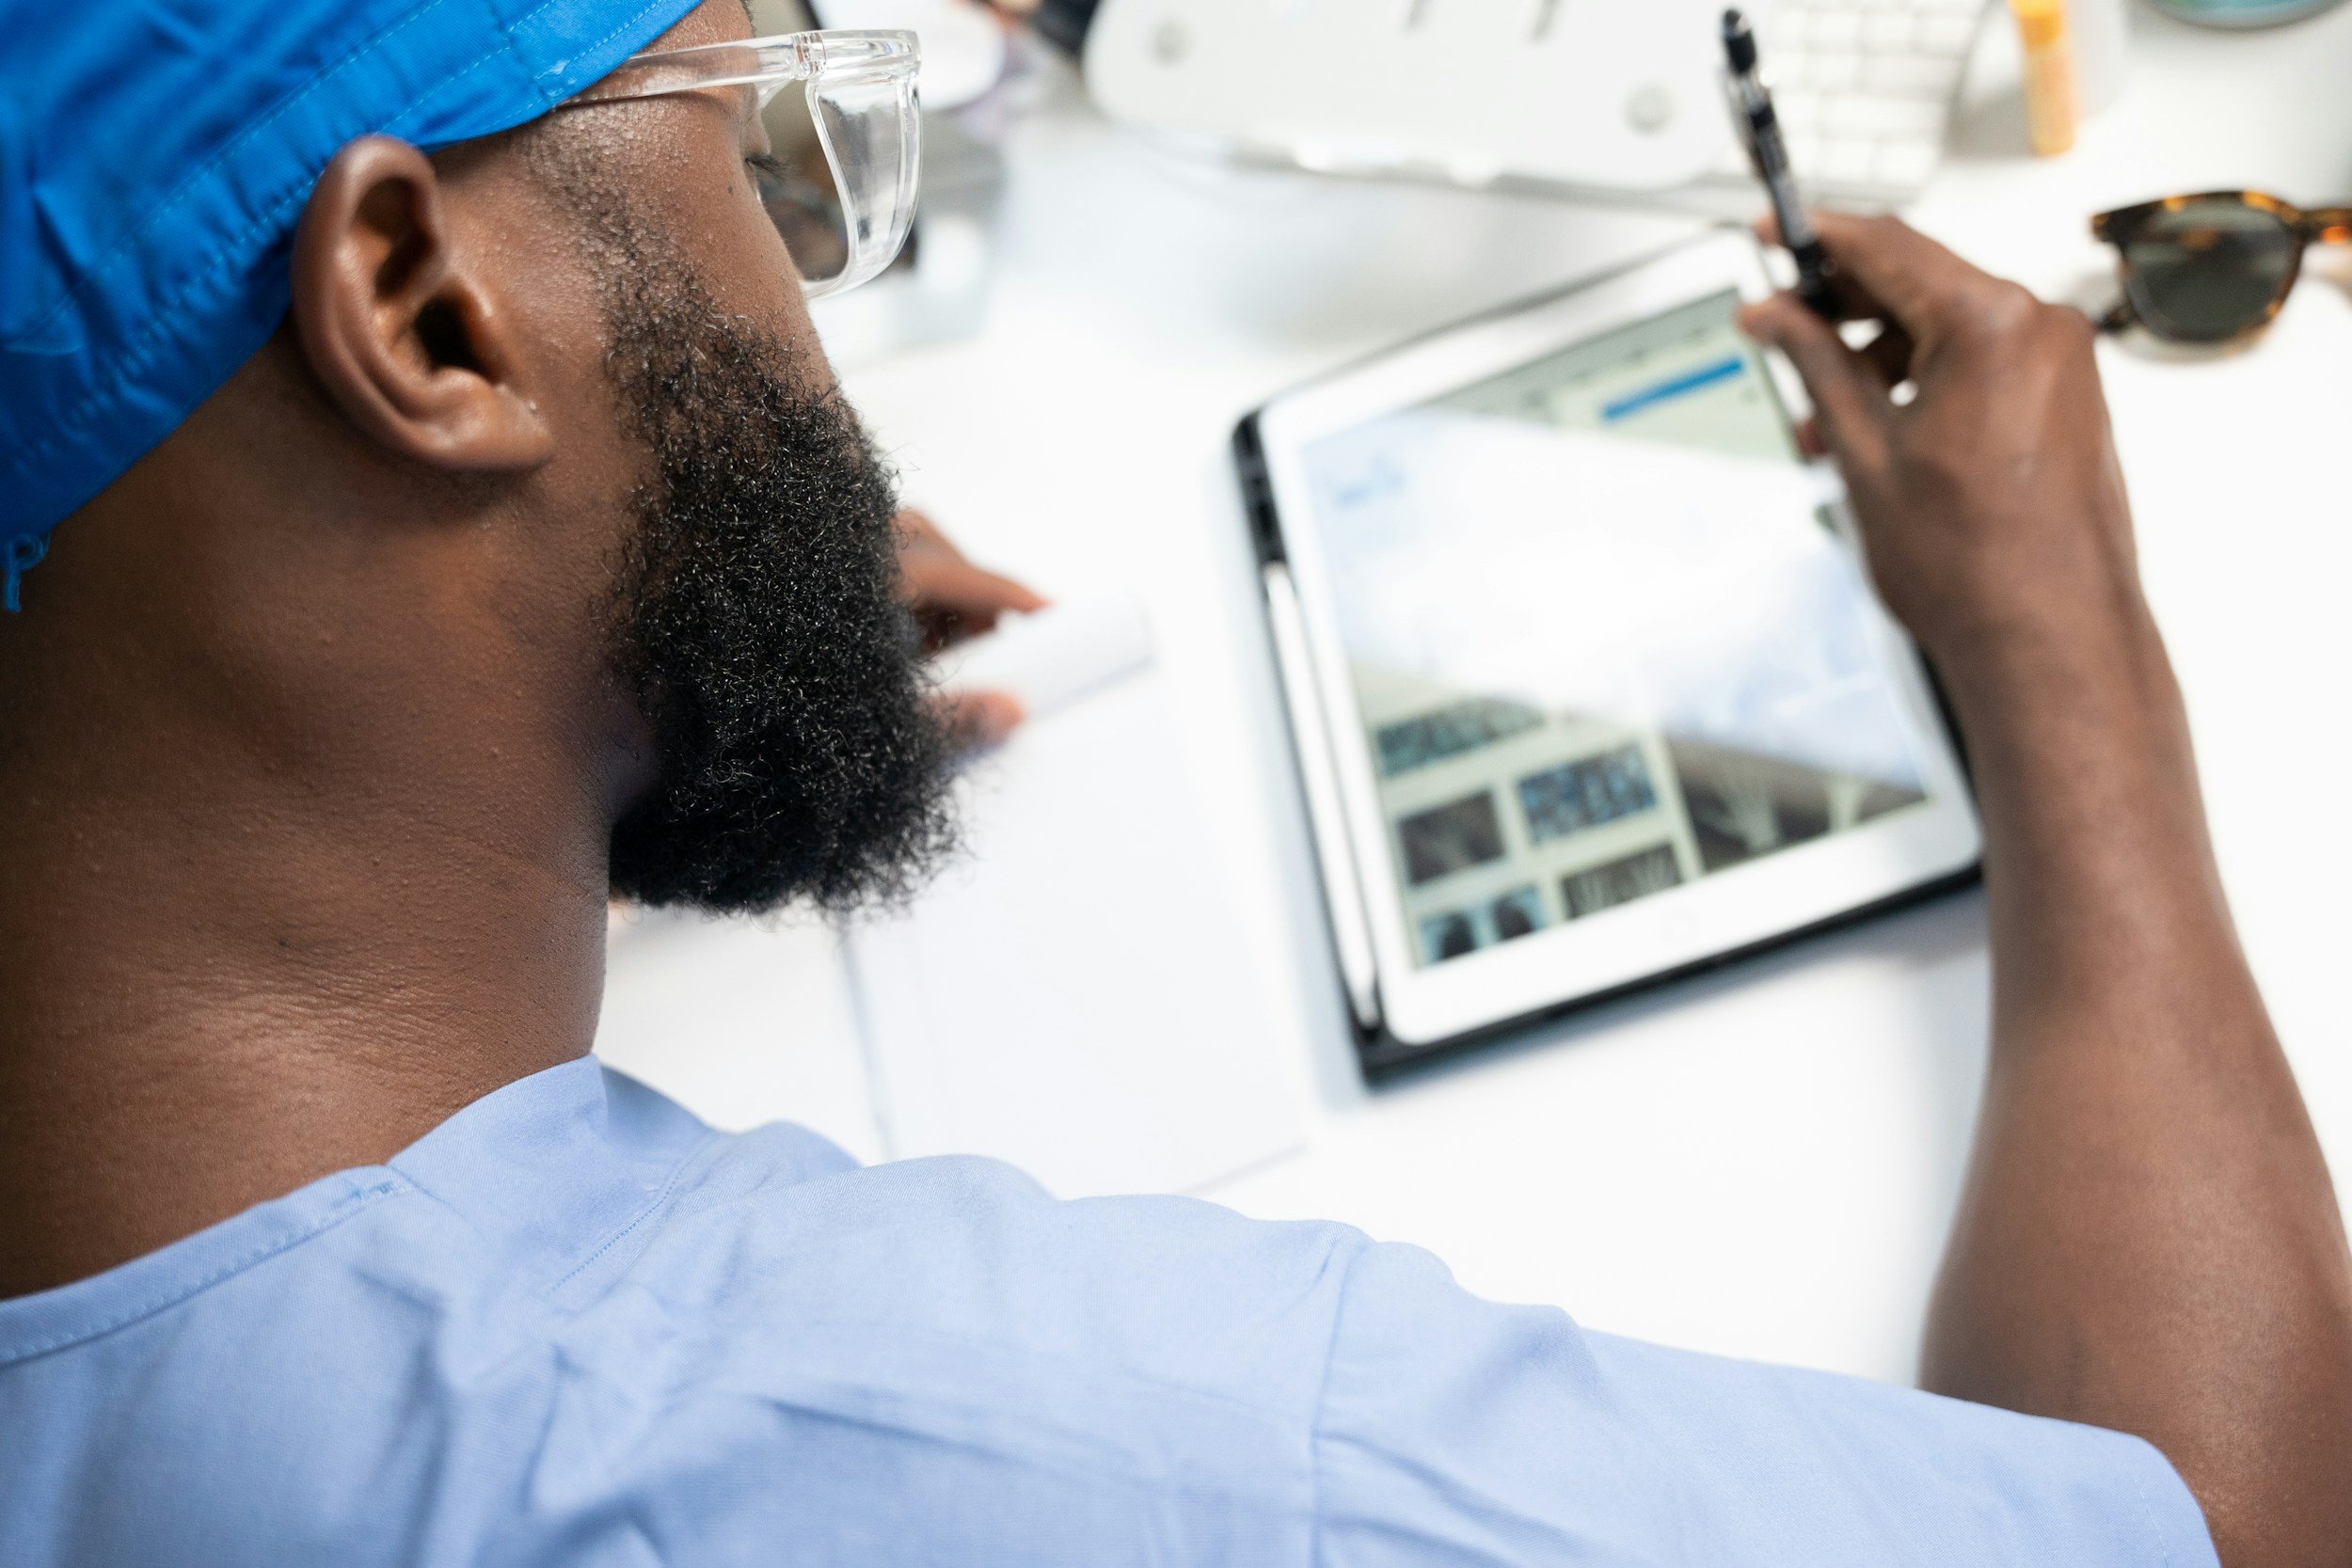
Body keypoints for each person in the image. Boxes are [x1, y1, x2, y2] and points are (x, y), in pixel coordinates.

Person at [1, 1, 2345, 1562]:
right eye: (772, 167)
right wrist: (2058, 651)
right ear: (419, 313)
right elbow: (2201, 1530)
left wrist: (597, 658)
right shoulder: (1092, 1459)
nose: (806, 304)